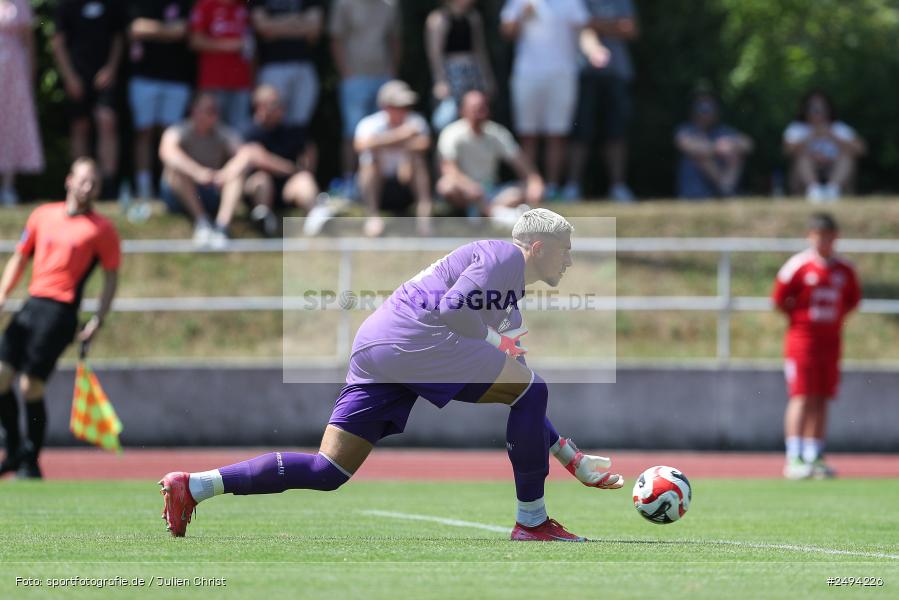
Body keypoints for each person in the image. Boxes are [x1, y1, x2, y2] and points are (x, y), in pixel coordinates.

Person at [159, 208, 624, 540]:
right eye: (565, 251)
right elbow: (455, 310)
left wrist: (570, 457)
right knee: (531, 388)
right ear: (538, 247)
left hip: (377, 342)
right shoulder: (506, 257)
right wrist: (487, 346)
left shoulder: (505, 279)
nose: (569, 261)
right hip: (415, 339)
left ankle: (196, 485)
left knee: (329, 469)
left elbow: (518, 386)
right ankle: (532, 521)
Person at [0, 158, 120, 479]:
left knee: (30, 385)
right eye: (83, 180)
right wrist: (3, 293)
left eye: (94, 182)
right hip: (33, 304)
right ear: (69, 180)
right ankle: (14, 449)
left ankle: (30, 460)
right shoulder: (42, 215)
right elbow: (20, 256)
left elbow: (111, 278)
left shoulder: (102, 230)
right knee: (1, 376)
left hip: (61, 311)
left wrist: (98, 319)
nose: (88, 187)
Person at [772, 213, 861, 480]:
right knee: (801, 395)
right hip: (803, 342)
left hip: (830, 344)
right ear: (810, 236)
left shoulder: (844, 270)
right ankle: (794, 455)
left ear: (836, 237)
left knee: (823, 397)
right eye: (818, 235)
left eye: (828, 236)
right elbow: (778, 299)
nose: (823, 241)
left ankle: (815, 454)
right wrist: (799, 322)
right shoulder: (798, 266)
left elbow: (852, 301)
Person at [500, 0, 591, 199]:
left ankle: (552, 187)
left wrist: (594, 50)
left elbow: (584, 31)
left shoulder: (572, 2)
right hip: (527, 75)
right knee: (527, 135)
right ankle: (530, 186)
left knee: (557, 135)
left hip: (563, 75)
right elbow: (507, 33)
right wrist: (522, 15)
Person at [563, 0, 638, 203]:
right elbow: (580, 27)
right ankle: (572, 186)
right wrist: (610, 26)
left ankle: (618, 186)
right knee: (581, 131)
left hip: (617, 74)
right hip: (583, 75)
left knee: (617, 131)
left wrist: (594, 24)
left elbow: (630, 29)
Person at [52, 0, 126, 199]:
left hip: (105, 76)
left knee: (106, 120)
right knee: (80, 127)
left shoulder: (112, 5)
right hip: (77, 74)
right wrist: (69, 77)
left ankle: (108, 186)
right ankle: (79, 184)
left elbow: (118, 37)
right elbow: (58, 42)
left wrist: (111, 68)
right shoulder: (67, 5)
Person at [437, 90, 544, 226]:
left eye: (483, 108)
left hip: (491, 192)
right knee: (446, 186)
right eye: (475, 109)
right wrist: (469, 187)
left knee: (522, 190)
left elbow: (522, 164)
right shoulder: (451, 133)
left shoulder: (496, 133)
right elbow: (449, 170)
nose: (480, 112)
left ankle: (485, 213)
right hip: (464, 192)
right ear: (462, 111)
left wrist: (535, 182)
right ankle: (493, 214)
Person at [329, 0, 401, 199]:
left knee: (384, 131)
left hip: (383, 79)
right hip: (354, 78)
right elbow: (336, 39)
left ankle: (379, 185)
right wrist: (346, 72)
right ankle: (349, 182)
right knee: (352, 132)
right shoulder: (344, 4)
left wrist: (391, 71)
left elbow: (394, 39)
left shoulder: (390, 5)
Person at [158, 93, 247, 249]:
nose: (210, 115)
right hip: (178, 196)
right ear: (194, 111)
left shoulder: (223, 132)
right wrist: (197, 172)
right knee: (175, 169)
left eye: (213, 111)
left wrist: (225, 174)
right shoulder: (178, 130)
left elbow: (245, 154)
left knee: (236, 174)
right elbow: (167, 151)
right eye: (206, 110)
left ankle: (221, 228)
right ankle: (202, 224)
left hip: (212, 189)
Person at [128, 0, 195, 200]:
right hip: (144, 77)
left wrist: (153, 29)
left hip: (176, 79)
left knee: (170, 136)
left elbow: (184, 30)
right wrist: (168, 30)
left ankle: (168, 188)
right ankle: (144, 187)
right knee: (144, 132)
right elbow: (135, 28)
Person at [354, 80, 432, 237]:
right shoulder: (370, 123)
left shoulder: (416, 121)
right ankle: (373, 218)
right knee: (369, 163)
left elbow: (424, 144)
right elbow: (360, 145)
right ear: (385, 106)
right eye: (399, 106)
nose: (404, 110)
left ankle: (425, 219)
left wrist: (381, 142)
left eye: (406, 106)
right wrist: (401, 136)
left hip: (406, 184)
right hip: (379, 187)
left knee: (418, 161)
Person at [241, 85, 321, 237]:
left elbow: (309, 147)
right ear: (260, 107)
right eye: (275, 104)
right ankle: (263, 217)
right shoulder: (247, 131)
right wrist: (291, 169)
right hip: (258, 188)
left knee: (304, 179)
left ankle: (316, 215)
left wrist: (307, 168)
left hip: (287, 188)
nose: (281, 108)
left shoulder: (290, 129)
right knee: (262, 179)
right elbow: (260, 159)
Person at [250, 0, 324, 128]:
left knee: (300, 122)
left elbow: (314, 27)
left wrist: (275, 25)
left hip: (304, 65)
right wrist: (298, 22)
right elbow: (262, 27)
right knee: (270, 118)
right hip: (272, 66)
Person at [425, 0, 496, 132]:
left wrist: (487, 78)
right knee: (446, 119)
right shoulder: (438, 19)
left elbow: (480, 50)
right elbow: (435, 54)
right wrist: (441, 81)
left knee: (475, 115)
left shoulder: (473, 17)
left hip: (472, 72)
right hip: (450, 74)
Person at [783, 91, 866, 203]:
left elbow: (861, 150)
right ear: (805, 109)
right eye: (813, 108)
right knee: (802, 157)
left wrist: (833, 136)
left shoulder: (839, 127)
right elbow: (787, 152)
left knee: (846, 157)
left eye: (821, 108)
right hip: (806, 172)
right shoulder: (796, 129)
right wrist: (811, 136)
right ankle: (814, 191)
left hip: (834, 169)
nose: (818, 112)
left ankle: (832, 191)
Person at [0, 0, 44, 207]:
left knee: (10, 126)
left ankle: (8, 186)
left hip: (14, 72)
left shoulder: (21, 3)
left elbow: (28, 41)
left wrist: (31, 72)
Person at [674, 92, 753, 200]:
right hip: (692, 194)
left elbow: (748, 144)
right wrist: (718, 147)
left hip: (721, 187)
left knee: (735, 156)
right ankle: (725, 190)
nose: (706, 113)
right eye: (702, 109)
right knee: (700, 156)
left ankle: (725, 190)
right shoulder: (686, 130)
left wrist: (731, 145)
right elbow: (686, 145)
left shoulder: (722, 130)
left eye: (710, 109)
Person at [190, 0, 253, 132]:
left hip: (241, 82)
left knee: (239, 132)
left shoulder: (243, 7)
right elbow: (195, 41)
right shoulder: (206, 5)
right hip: (214, 81)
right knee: (212, 130)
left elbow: (251, 48)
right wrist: (230, 45)